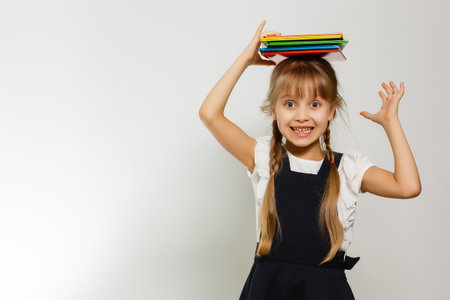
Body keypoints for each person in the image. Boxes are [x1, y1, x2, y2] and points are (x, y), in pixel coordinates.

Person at [198, 20, 421, 300]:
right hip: (268, 288)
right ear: (274, 110)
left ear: (331, 110)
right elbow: (210, 114)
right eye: (290, 103)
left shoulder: (349, 168)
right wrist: (246, 59)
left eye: (314, 104)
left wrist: (391, 123)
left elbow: (408, 187)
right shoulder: (265, 157)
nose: (302, 115)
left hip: (326, 291)